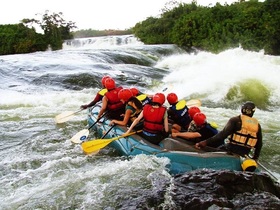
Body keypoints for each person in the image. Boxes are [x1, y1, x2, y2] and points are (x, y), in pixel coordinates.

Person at [195, 101, 263, 160]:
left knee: (214, 149)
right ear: (253, 112)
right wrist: (255, 158)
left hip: (230, 149)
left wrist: (205, 142)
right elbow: (259, 144)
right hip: (244, 153)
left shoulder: (235, 120)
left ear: (242, 109)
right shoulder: (257, 125)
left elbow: (222, 135)